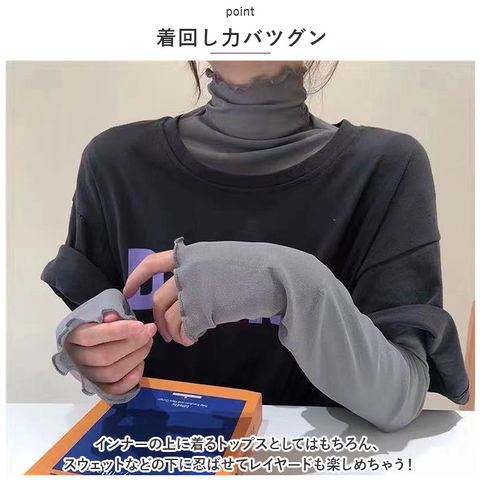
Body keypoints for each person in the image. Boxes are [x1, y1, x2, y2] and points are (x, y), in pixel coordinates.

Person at [42, 60, 469, 433]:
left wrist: (285, 281)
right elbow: (93, 325)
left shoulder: (386, 169)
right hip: (159, 455)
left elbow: (398, 397)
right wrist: (96, 352)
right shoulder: (115, 163)